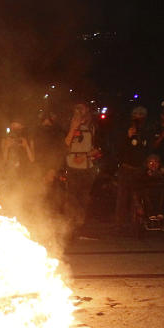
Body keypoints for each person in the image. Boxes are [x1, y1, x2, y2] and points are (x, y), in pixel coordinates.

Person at [64, 100, 100, 235]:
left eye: (82, 109)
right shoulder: (68, 125)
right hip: (72, 167)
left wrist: (85, 156)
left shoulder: (93, 127)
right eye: (77, 109)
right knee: (71, 198)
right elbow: (65, 145)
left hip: (87, 168)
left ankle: (81, 226)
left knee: (84, 198)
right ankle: (69, 226)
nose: (80, 112)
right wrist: (73, 128)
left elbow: (98, 149)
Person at [115, 105, 149, 232]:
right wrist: (128, 136)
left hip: (140, 169)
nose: (138, 118)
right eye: (136, 115)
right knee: (123, 197)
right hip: (126, 168)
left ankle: (137, 223)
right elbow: (119, 150)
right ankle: (119, 225)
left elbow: (147, 149)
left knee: (138, 196)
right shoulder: (125, 129)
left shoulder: (146, 131)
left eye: (141, 115)